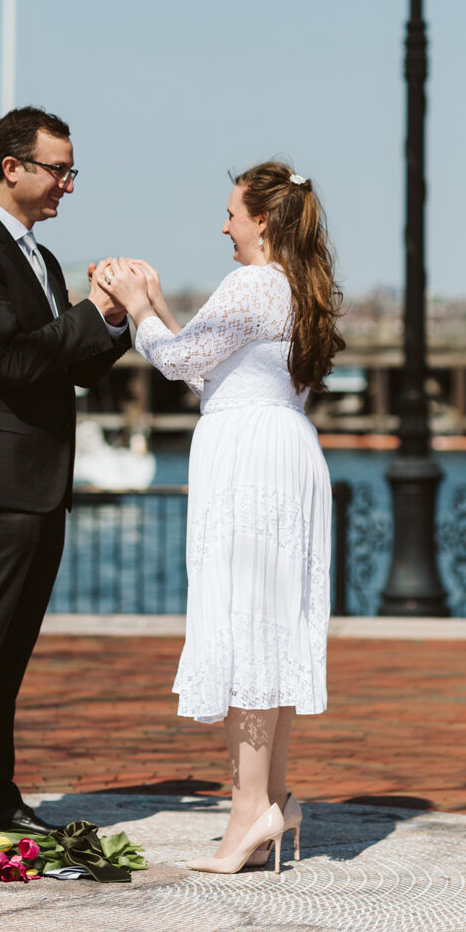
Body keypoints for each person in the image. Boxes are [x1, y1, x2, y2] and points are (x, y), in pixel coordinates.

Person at [102, 159, 344, 875]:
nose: (224, 225)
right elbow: (214, 370)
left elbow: (178, 362)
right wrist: (163, 316)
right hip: (282, 448)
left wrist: (139, 303)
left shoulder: (253, 282)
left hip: (250, 460)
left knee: (245, 625)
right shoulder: (298, 290)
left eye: (233, 213)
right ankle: (270, 797)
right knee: (269, 625)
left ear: (262, 220)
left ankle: (248, 812)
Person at [0, 106, 132, 859]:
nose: (67, 185)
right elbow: (10, 361)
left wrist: (113, 322)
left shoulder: (37, 258)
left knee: (8, 658)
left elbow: (65, 366)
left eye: (72, 171)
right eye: (58, 170)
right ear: (13, 167)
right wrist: (91, 311)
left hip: (40, 482)